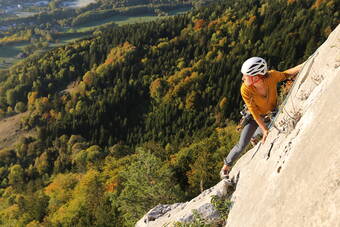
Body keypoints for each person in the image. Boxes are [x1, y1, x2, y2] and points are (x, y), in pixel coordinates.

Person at [220, 57, 303, 179]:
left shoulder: (272, 76)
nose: (243, 78)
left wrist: (305, 63)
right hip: (254, 118)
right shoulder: (245, 88)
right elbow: (253, 111)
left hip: (271, 114)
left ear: (256, 77)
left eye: (245, 76)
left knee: (263, 133)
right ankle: (226, 167)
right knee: (242, 144)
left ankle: (256, 137)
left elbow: (286, 74)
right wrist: (264, 129)